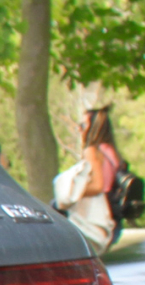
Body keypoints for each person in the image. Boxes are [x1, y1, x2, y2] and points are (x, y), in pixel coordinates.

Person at [52, 105, 128, 252]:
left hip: (96, 216)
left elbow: (98, 186)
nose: (79, 129)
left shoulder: (92, 151)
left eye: (82, 125)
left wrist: (71, 190)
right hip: (113, 216)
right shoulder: (111, 151)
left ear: (92, 128)